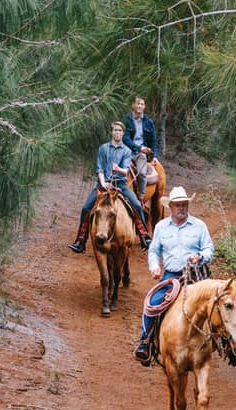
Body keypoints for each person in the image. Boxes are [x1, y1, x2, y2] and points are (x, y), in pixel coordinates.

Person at [135, 186, 214, 363]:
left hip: (197, 274)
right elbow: (154, 251)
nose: (181, 208)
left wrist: (200, 256)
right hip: (171, 276)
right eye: (178, 205)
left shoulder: (199, 225)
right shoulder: (161, 227)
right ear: (170, 206)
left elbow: (209, 248)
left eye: (184, 204)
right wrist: (154, 266)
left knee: (219, 301)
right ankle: (145, 342)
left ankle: (227, 343)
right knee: (153, 303)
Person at [68, 121, 152, 253]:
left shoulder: (126, 150)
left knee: (136, 205)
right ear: (111, 132)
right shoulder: (103, 148)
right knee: (86, 208)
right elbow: (99, 169)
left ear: (123, 133)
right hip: (103, 184)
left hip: (120, 185)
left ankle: (144, 237)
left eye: (119, 130)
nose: (117, 132)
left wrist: (117, 168)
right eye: (115, 130)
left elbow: (126, 171)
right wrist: (103, 183)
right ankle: (80, 241)